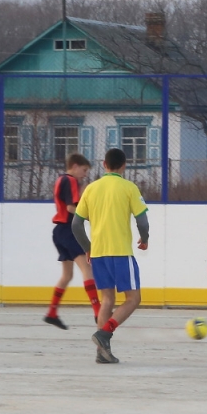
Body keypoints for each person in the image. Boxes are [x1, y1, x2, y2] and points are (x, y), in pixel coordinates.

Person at [71, 148, 149, 364]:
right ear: (124, 166)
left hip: (99, 254)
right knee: (133, 299)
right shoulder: (129, 188)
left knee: (107, 300)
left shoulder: (91, 189)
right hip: (121, 253)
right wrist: (145, 238)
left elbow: (76, 224)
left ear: (104, 164)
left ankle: (101, 352)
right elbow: (142, 220)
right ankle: (105, 333)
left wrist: (88, 248)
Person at [44, 153, 101, 330]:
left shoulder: (62, 180)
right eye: (84, 170)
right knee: (87, 268)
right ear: (74, 166)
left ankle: (52, 313)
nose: (85, 174)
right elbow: (70, 207)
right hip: (68, 230)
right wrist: (90, 216)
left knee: (67, 275)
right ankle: (98, 312)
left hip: (59, 231)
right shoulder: (70, 181)